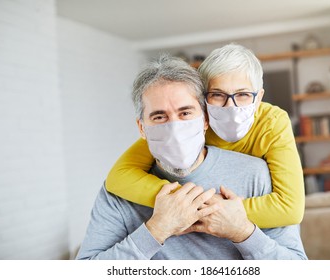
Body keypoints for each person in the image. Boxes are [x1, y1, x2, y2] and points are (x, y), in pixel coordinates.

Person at [76, 55, 307, 259]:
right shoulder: (118, 193)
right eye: (159, 117)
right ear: (142, 128)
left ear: (205, 119)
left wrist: (243, 232)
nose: (175, 129)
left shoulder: (256, 173)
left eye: (185, 112)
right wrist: (156, 229)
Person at [106, 43, 305, 228]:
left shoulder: (273, 122)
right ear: (202, 99)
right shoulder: (190, 124)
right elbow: (118, 177)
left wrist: (217, 211)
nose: (230, 106)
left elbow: (290, 209)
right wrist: (183, 203)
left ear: (259, 97)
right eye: (217, 95)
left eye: (243, 95)